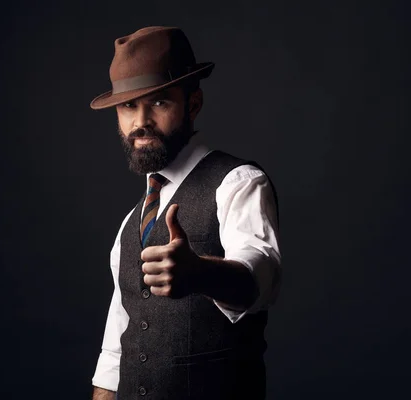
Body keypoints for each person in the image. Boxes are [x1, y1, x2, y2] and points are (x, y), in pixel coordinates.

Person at [88, 26, 281, 400]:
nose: (140, 121)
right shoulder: (132, 222)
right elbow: (116, 348)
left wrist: (201, 273)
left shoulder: (239, 183)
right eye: (128, 106)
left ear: (193, 104)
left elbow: (262, 276)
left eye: (159, 102)